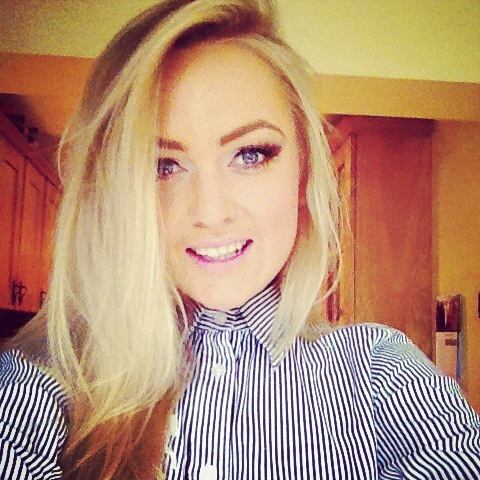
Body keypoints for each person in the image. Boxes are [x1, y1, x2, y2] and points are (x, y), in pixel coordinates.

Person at [1, 0, 479, 478]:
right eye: (162, 165)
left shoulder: (380, 371)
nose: (211, 213)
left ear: (303, 171)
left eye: (250, 154)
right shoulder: (45, 380)